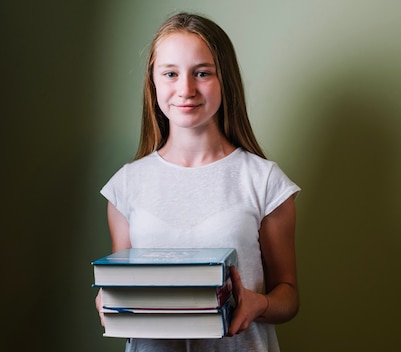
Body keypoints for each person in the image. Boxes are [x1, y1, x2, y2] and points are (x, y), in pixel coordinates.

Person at [95, 11, 301, 352]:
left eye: (202, 73)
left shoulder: (264, 181)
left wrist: (258, 303)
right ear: (154, 82)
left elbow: (288, 295)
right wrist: (108, 301)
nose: (185, 89)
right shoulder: (125, 186)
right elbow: (120, 286)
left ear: (225, 80)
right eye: (171, 73)